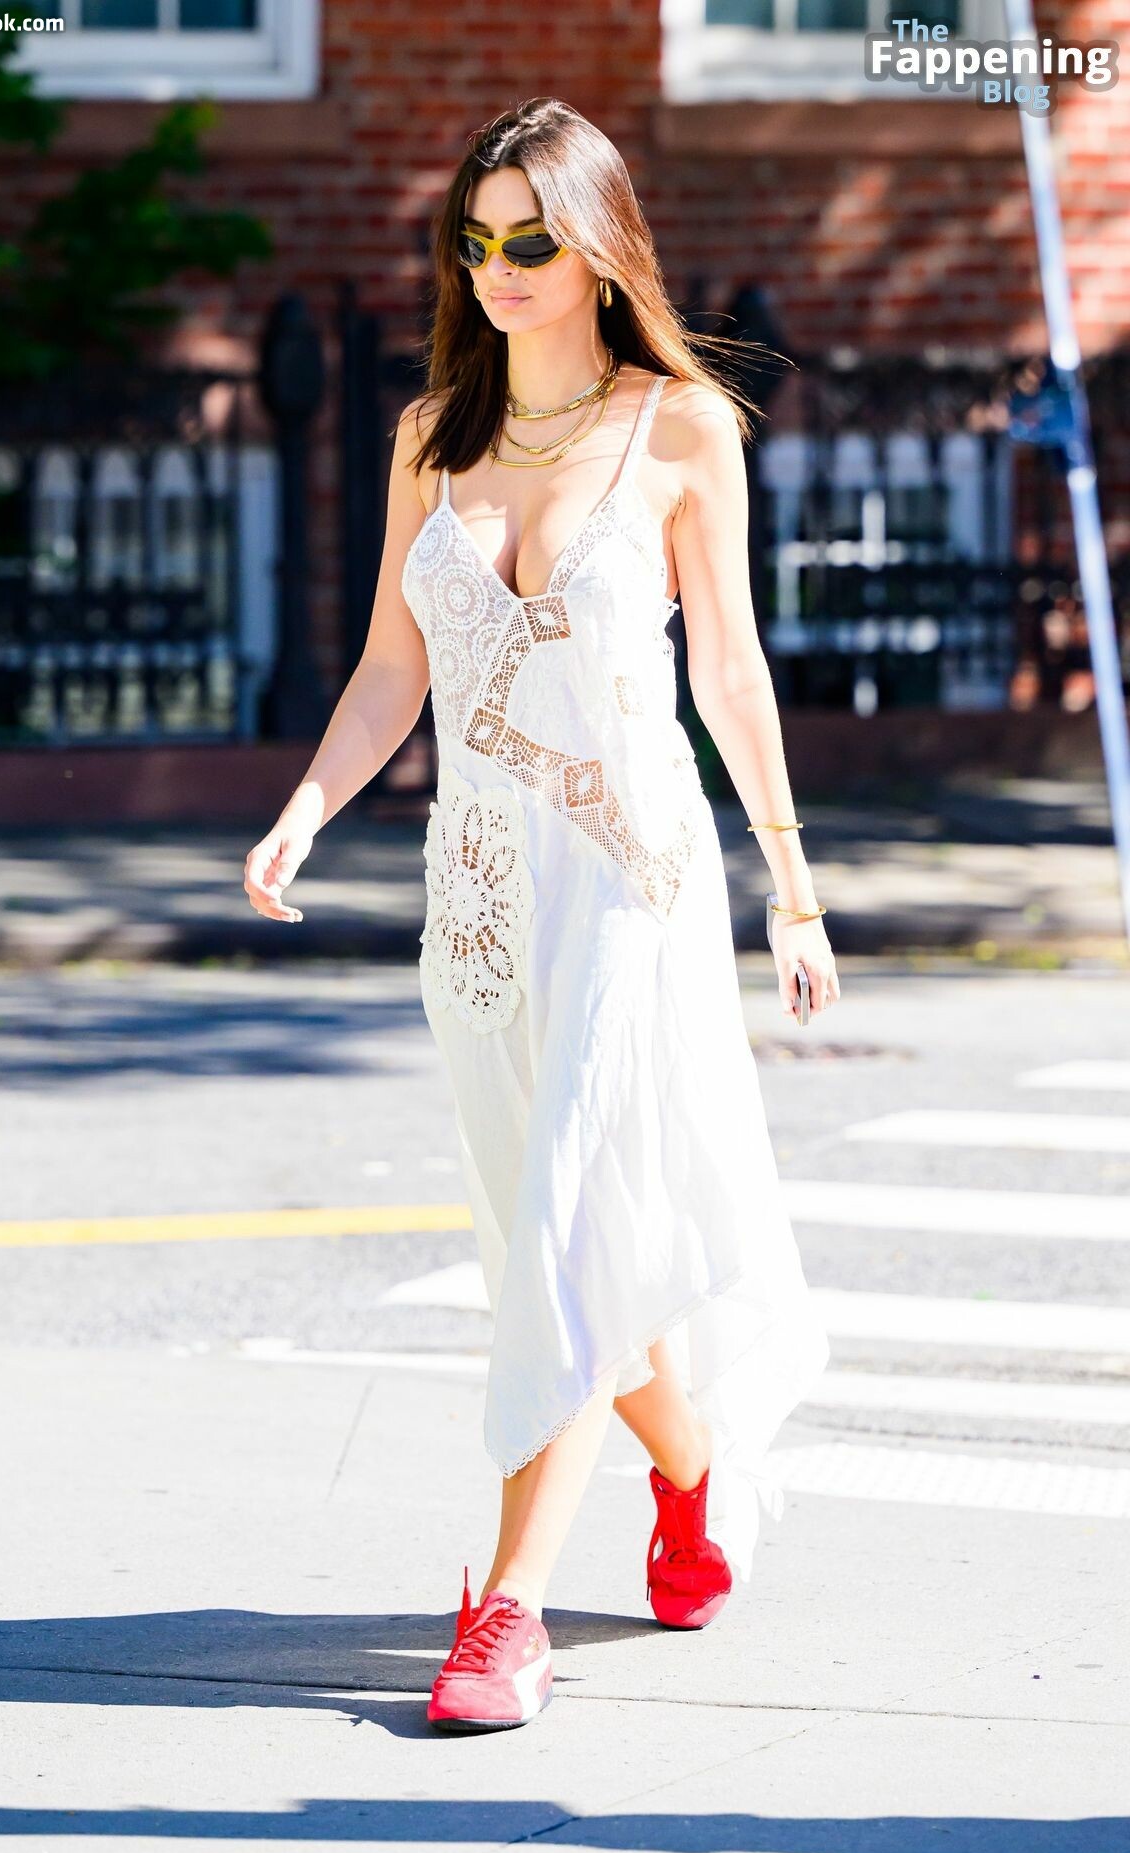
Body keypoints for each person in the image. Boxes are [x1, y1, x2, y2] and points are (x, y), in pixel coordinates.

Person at [244, 97, 839, 1736]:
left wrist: (792, 889)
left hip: (631, 880)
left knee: (572, 1216)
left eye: (530, 238)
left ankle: (506, 1609)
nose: (497, 266)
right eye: (475, 238)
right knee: (549, 1239)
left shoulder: (680, 429)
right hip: (482, 898)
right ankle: (694, 1471)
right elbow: (392, 667)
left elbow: (731, 673)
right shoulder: (430, 436)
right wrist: (306, 807)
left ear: (597, 250)